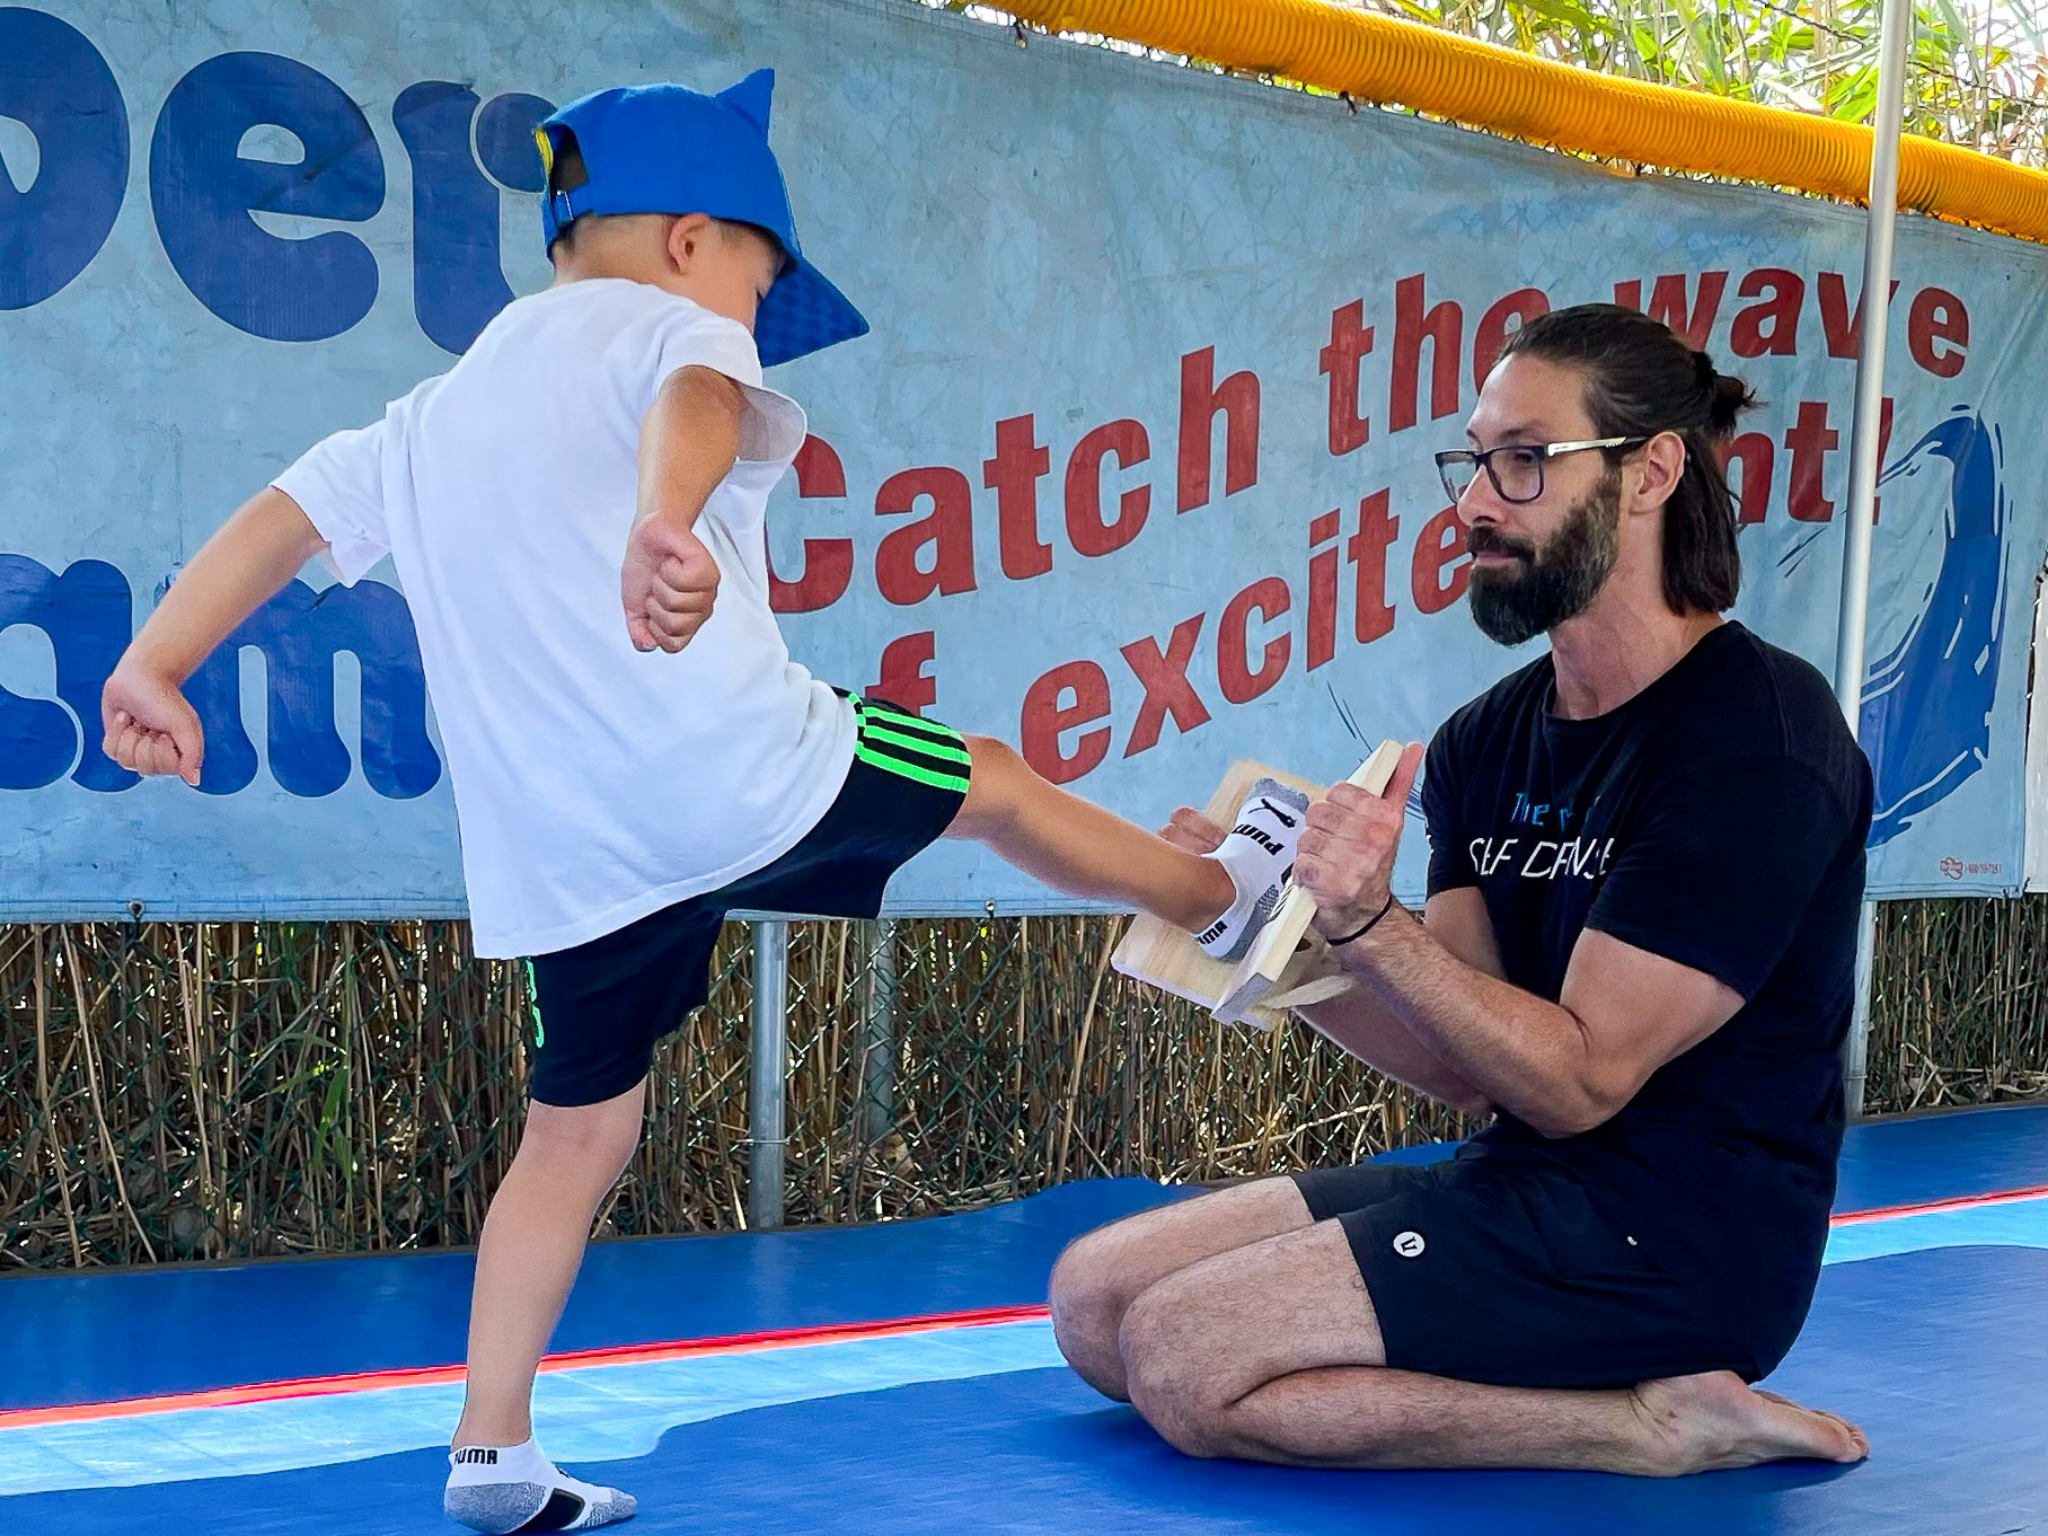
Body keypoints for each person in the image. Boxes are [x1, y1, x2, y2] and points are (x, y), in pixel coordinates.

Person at [98, 73, 1308, 1533]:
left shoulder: (426, 416)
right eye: (759, 272)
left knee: (575, 1134)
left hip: (569, 861)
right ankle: (1224, 896)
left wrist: (159, 664)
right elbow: (701, 392)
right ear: (686, 241)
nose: (754, 304)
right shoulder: (680, 330)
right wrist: (664, 521)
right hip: (731, 776)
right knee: (984, 782)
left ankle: (490, 1449)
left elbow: (282, 518)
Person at [1047, 302, 1876, 1478]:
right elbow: (1456, 1056)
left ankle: (1642, 1426)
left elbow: (1581, 1081)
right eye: (1473, 460)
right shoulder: (1487, 738)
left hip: (1680, 1242)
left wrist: (1368, 921)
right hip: (1521, 1183)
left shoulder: (1757, 741)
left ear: (1649, 472)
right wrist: (1241, 915)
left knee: (1184, 1358)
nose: (1474, 501)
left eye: (1524, 461)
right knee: (1092, 1302)